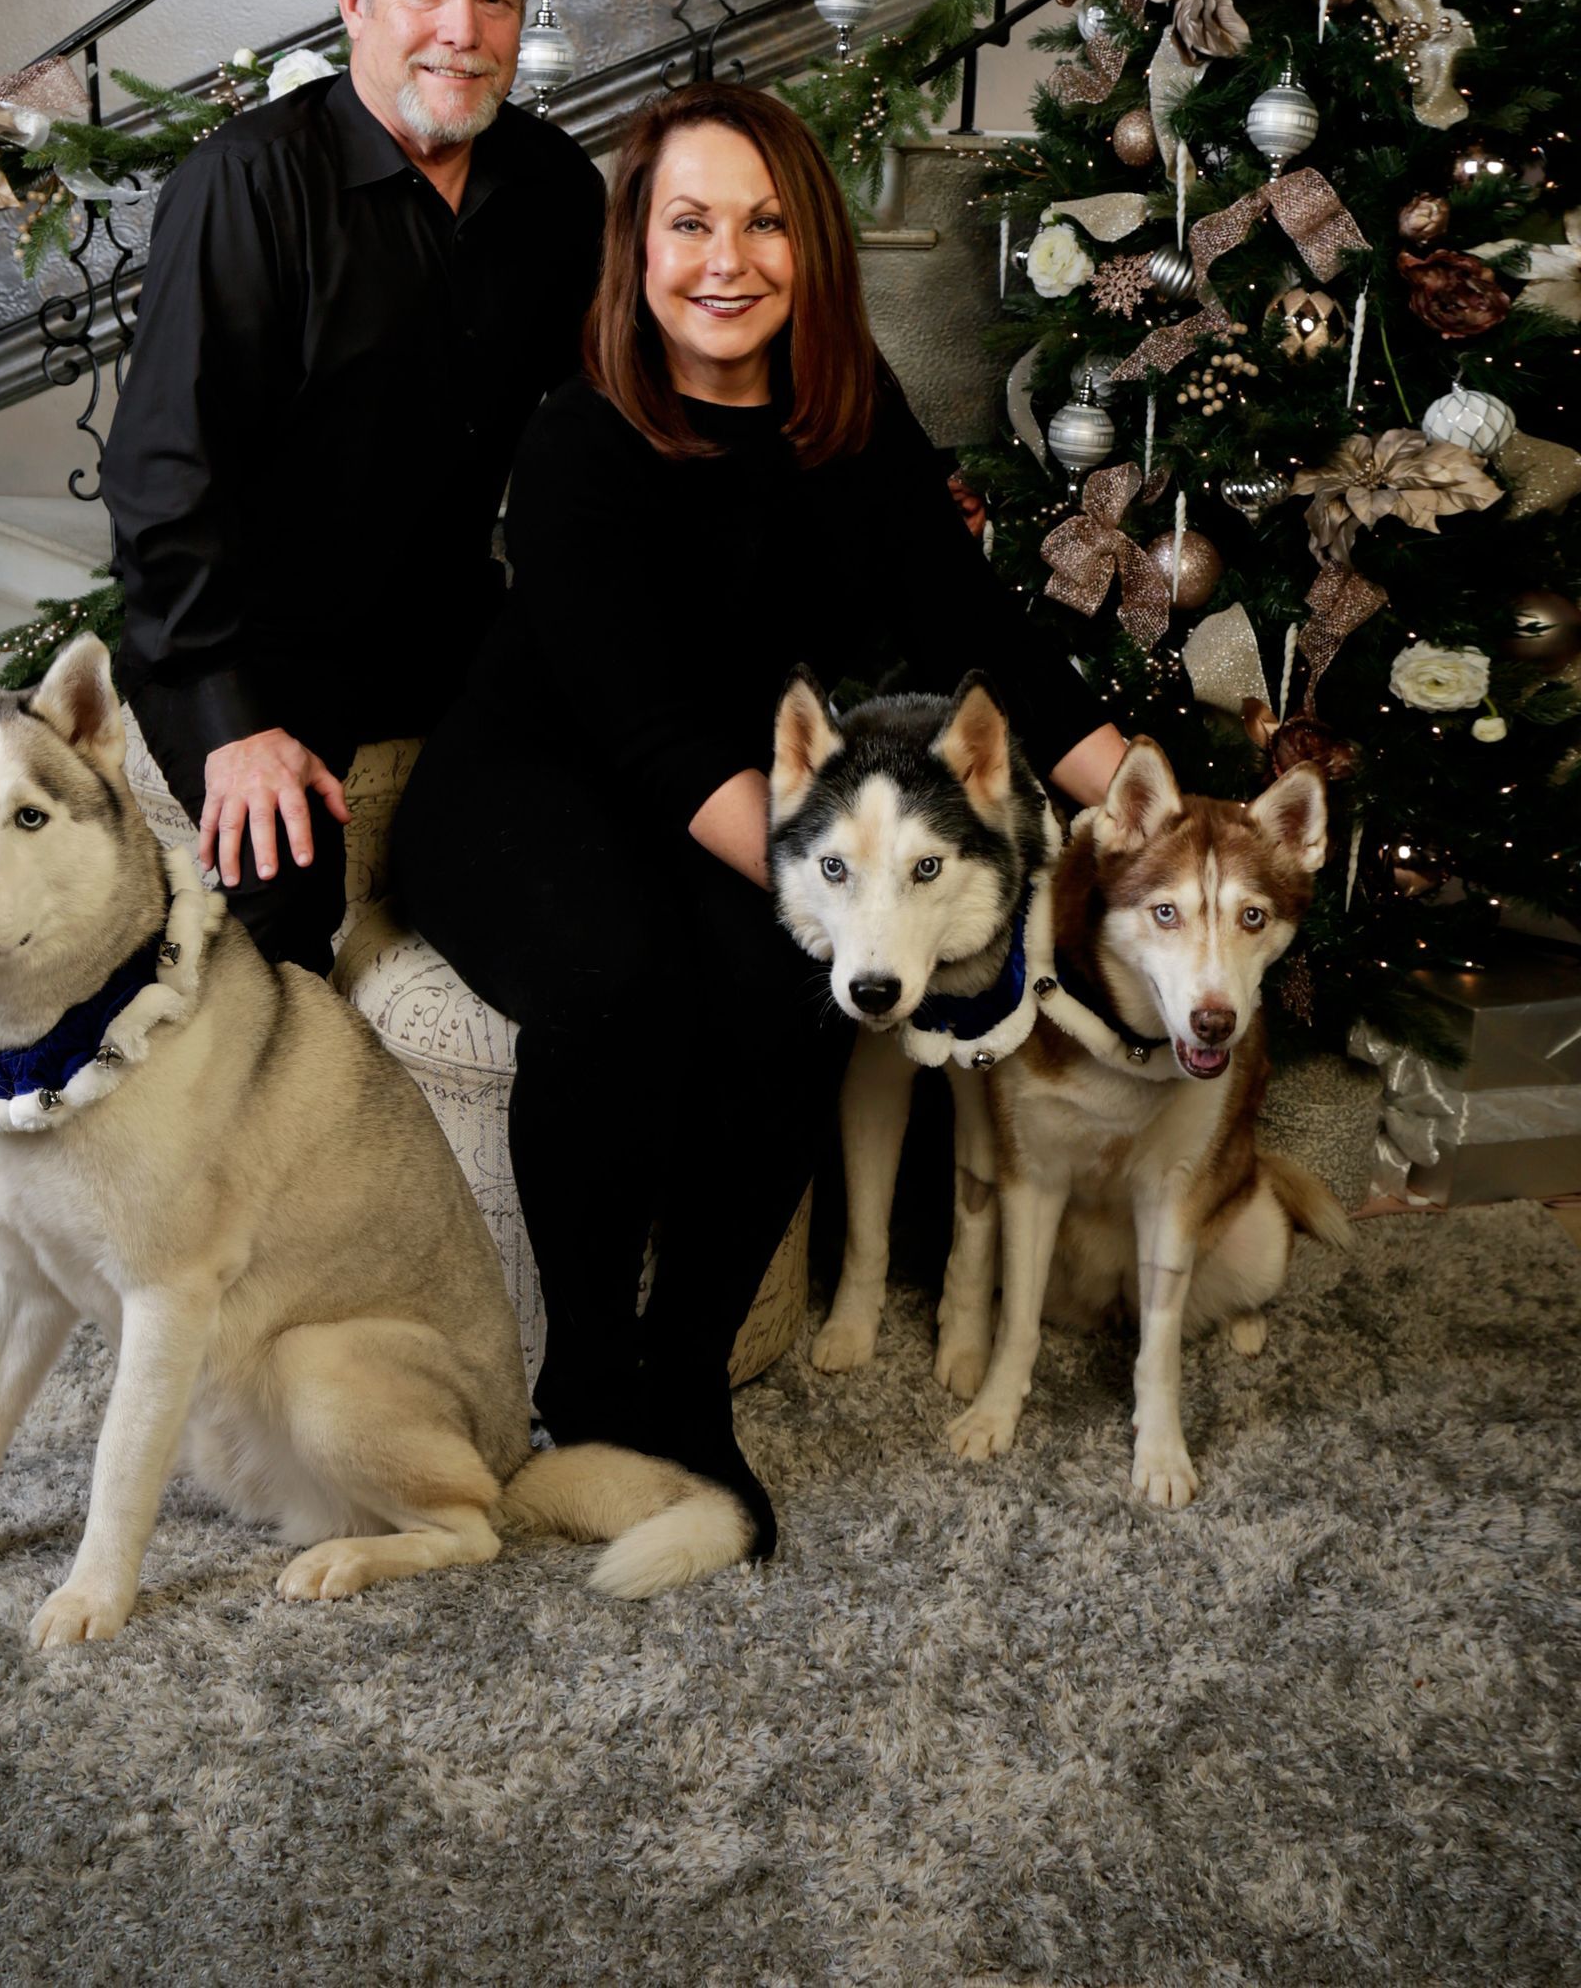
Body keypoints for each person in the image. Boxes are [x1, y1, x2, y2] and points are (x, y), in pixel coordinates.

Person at [391, 82, 1127, 1553]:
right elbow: (649, 737)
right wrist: (828, 899)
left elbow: (974, 617)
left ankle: (689, 1376)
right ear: (636, 248)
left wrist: (1145, 800)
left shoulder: (848, 426)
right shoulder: (577, 444)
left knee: (780, 995)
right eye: (688, 223)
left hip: (727, 790)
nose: (725, 260)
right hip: (529, 787)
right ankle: (591, 1385)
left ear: (812, 248)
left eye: (764, 221)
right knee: (624, 986)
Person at [102, 0, 605, 975]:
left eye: (494, 0)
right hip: (244, 633)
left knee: (595, 824)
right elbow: (161, 479)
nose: (460, 33)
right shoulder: (245, 185)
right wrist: (230, 723)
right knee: (279, 909)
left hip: (445, 617)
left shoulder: (555, 190)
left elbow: (605, 416)